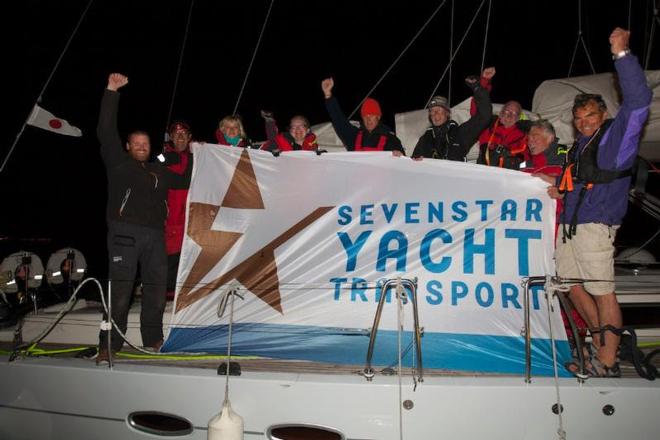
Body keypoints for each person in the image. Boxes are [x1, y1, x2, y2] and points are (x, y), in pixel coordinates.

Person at [543, 28, 652, 377]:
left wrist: (622, 55)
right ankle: (598, 344)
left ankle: (607, 360)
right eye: (578, 118)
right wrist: (551, 186)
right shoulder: (579, 147)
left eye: (590, 115)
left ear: (603, 114)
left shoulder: (616, 139)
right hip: (571, 228)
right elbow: (572, 185)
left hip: (597, 226)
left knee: (603, 291)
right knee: (571, 285)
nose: (584, 122)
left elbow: (638, 100)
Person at [96, 73, 193, 363]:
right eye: (135, 143)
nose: (141, 146)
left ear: (151, 147)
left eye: (145, 143)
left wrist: (197, 151)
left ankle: (152, 339)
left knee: (155, 289)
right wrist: (112, 92)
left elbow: (188, 179)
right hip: (124, 233)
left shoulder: (159, 171)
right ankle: (109, 343)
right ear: (128, 146)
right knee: (121, 289)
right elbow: (105, 130)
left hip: (155, 236)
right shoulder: (118, 163)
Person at [411, 75, 492, 161]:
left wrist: (477, 88)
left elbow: (484, 116)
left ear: (447, 113)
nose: (435, 114)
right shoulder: (425, 138)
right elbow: (413, 160)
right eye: (432, 111)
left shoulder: (461, 134)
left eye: (439, 110)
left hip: (454, 174)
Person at [321, 77, 405, 156]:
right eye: (365, 116)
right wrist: (328, 95)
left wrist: (401, 156)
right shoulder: (354, 136)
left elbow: (404, 164)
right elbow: (339, 120)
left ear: (378, 117)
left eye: (372, 115)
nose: (368, 119)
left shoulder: (391, 139)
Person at [474, 67, 528, 169]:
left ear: (518, 117)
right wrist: (484, 81)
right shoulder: (488, 126)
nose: (509, 115)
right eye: (506, 111)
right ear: (500, 113)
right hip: (482, 173)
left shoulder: (525, 134)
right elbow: (478, 108)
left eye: (514, 113)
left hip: (509, 177)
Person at [163, 121, 193, 298]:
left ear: (190, 137)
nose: (180, 137)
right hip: (172, 218)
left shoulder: (198, 155)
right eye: (176, 133)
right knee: (171, 257)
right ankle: (168, 294)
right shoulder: (164, 157)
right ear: (171, 137)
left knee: (190, 257)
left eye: (184, 134)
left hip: (192, 216)